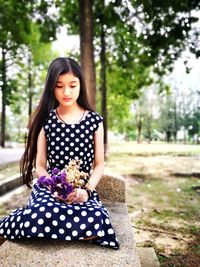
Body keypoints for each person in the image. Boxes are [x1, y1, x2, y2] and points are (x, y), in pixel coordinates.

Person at [0, 57, 119, 249]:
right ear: (51, 88)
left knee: (98, 221)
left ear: (81, 84)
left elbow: (99, 164)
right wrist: (54, 188)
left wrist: (87, 191)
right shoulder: (46, 121)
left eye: (72, 85)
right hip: (50, 190)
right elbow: (40, 165)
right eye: (59, 86)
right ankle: (12, 226)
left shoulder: (95, 121)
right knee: (43, 213)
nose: (66, 92)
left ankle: (50, 226)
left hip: (81, 191)